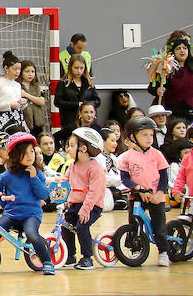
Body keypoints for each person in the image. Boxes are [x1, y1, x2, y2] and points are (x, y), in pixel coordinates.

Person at [0, 132, 56, 275]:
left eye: (31, 151)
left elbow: (44, 195)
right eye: (25, 153)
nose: (30, 156)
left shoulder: (37, 174)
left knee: (31, 234)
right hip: (12, 214)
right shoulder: (9, 174)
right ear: (15, 155)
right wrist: (2, 200)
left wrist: (33, 178)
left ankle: (47, 261)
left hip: (31, 214)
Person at [118, 115, 171, 266]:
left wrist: (160, 193)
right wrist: (138, 189)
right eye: (144, 135)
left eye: (151, 135)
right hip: (137, 196)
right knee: (134, 223)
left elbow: (164, 177)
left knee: (159, 226)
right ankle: (135, 248)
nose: (149, 138)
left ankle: (163, 252)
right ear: (133, 137)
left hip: (155, 197)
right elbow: (125, 178)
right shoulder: (127, 157)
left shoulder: (157, 154)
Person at [62, 127, 106, 270]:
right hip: (75, 204)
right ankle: (70, 256)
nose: (68, 149)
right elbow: (64, 182)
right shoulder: (72, 166)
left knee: (82, 227)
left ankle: (87, 257)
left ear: (84, 148)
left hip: (92, 206)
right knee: (66, 226)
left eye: (72, 146)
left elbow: (94, 191)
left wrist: (86, 210)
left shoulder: (94, 168)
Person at [0, 51, 45, 135]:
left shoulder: (17, 85)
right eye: (15, 69)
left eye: (19, 69)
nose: (17, 72)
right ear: (6, 68)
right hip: (6, 119)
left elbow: (20, 106)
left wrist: (23, 103)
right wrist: (9, 105)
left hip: (19, 119)